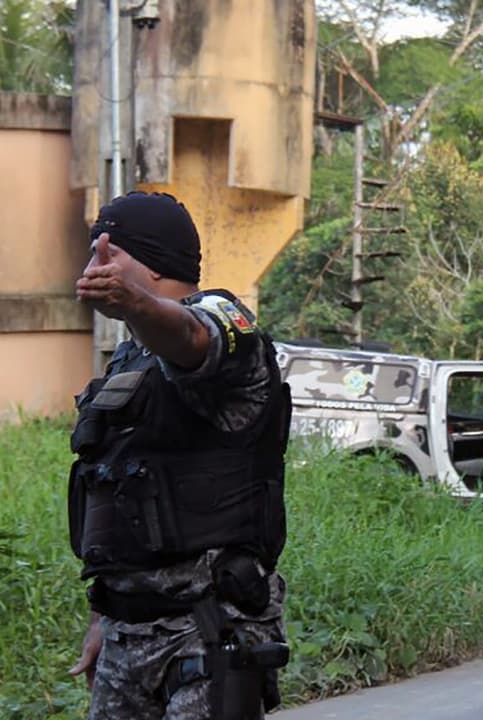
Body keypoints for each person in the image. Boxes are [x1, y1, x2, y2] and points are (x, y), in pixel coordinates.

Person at [67, 192, 292, 719]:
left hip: (207, 630)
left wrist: (136, 304)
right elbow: (117, 487)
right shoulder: (130, 358)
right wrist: (103, 617)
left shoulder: (222, 317)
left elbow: (193, 338)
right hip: (129, 632)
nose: (92, 266)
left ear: (152, 260)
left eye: (108, 252)